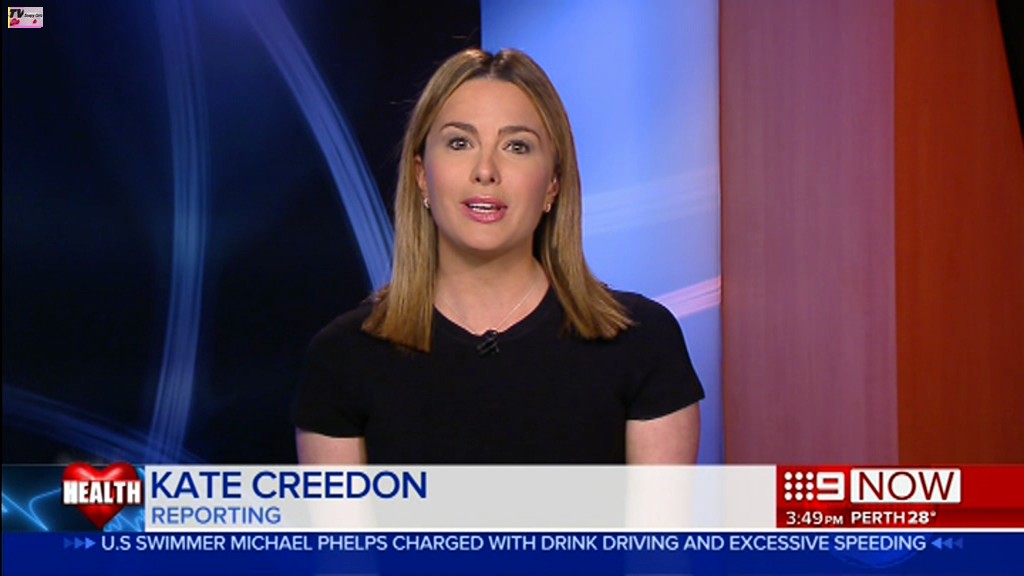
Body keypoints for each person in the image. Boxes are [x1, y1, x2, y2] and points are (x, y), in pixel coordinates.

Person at [293, 48, 704, 465]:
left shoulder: (642, 344)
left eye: (517, 146)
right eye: (459, 143)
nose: (486, 170)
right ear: (421, 176)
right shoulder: (343, 358)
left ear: (553, 184)